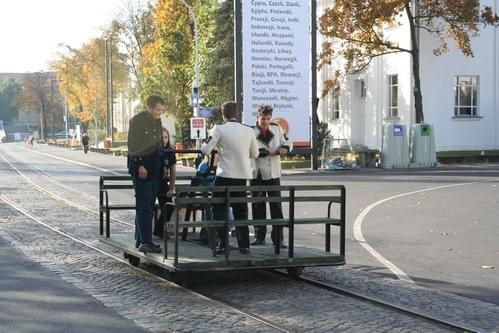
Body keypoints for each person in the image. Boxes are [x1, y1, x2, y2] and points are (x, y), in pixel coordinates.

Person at [201, 101, 259, 254]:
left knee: (218, 210)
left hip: (224, 175)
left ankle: (223, 243)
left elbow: (205, 149)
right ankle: (244, 246)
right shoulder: (249, 131)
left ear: (223, 115)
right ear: (237, 114)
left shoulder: (218, 129)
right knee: (241, 211)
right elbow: (255, 154)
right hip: (242, 177)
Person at [250, 105, 293, 248]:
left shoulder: (276, 128)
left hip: (273, 173)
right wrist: (263, 152)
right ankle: (259, 237)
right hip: (257, 173)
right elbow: (248, 151)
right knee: (257, 206)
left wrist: (284, 148)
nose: (265, 122)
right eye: (263, 118)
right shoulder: (250, 131)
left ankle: (278, 239)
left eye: (268, 118)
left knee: (276, 206)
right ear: (258, 117)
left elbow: (287, 142)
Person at [127, 95, 165, 253]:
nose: (160, 113)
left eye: (162, 110)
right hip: (142, 166)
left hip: (155, 166)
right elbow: (133, 144)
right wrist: (140, 164)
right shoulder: (137, 120)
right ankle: (145, 242)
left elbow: (159, 144)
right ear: (148, 107)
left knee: (149, 204)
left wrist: (164, 164)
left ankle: (140, 239)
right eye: (157, 110)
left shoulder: (157, 121)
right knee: (144, 206)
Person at [153, 127, 176, 238]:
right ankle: (145, 234)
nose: (164, 140)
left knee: (169, 206)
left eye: (166, 137)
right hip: (152, 183)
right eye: (161, 138)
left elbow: (173, 170)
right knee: (147, 207)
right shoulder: (152, 151)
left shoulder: (170, 151)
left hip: (163, 184)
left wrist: (171, 189)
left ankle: (158, 230)